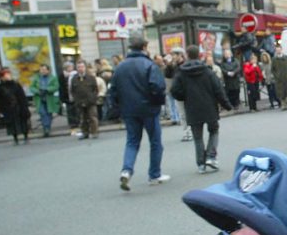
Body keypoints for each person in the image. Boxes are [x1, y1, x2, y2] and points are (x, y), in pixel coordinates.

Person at [108, 31, 170, 191]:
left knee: (132, 142)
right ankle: (154, 174)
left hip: (129, 110)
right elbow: (157, 87)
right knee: (155, 142)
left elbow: (113, 90)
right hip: (149, 109)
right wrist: (158, 104)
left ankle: (126, 171)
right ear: (144, 47)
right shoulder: (149, 65)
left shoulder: (120, 67)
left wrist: (119, 106)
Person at [170, 45, 233, 173]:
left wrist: (185, 96)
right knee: (214, 131)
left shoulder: (182, 72)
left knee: (197, 137)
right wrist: (227, 105)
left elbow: (174, 90)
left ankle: (201, 164)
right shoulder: (207, 71)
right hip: (209, 106)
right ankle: (211, 156)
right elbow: (218, 90)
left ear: (187, 55)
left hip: (192, 108)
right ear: (199, 55)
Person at [0, 69, 30, 145]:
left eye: (8, 75)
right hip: (8, 108)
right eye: (5, 75)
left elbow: (22, 96)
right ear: (2, 77)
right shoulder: (0, 87)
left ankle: (25, 136)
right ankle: (15, 138)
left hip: (19, 106)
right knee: (11, 124)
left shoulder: (16, 85)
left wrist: (25, 106)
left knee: (23, 122)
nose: (8, 76)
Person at [70, 59, 100, 139]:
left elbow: (95, 90)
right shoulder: (74, 79)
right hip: (80, 102)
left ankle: (94, 132)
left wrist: (92, 99)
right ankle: (85, 132)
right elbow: (72, 91)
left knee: (92, 118)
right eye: (79, 67)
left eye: (82, 67)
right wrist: (77, 100)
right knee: (82, 119)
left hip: (90, 102)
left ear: (85, 67)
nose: (80, 68)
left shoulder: (91, 78)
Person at [30, 64, 60, 137]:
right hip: (39, 99)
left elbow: (56, 86)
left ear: (48, 70)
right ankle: (46, 128)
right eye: (41, 70)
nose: (42, 71)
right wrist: (37, 91)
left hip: (49, 99)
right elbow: (31, 87)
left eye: (44, 70)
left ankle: (47, 128)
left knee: (48, 114)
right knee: (42, 113)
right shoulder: (36, 78)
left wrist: (47, 89)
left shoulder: (53, 78)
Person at [272, 43, 287, 110]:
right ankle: (284, 106)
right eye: (277, 50)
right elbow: (273, 70)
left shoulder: (286, 57)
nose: (278, 51)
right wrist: (276, 76)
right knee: (281, 93)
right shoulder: (274, 59)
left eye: (279, 49)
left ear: (281, 49)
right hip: (279, 79)